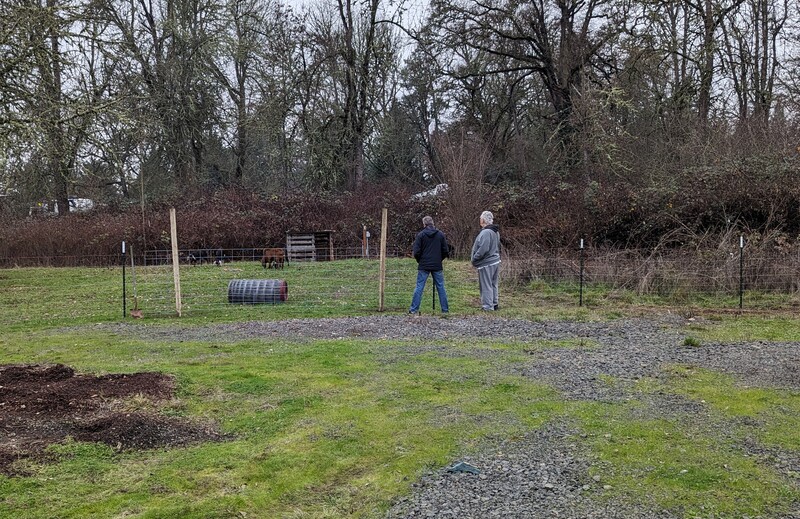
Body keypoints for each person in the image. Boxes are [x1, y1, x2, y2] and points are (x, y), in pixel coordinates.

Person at [409, 216, 450, 315]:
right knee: (441, 287)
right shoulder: (440, 235)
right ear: (432, 223)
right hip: (437, 265)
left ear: (424, 224)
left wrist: (420, 261)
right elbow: (446, 250)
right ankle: (445, 310)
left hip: (424, 265)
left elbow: (416, 252)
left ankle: (413, 309)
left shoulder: (421, 235)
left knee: (419, 287)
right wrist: (439, 260)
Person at [471, 210, 501, 311]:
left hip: (486, 263)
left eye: (480, 218)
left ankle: (488, 307)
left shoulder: (486, 232)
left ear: (483, 220)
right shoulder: (495, 231)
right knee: (493, 283)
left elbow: (483, 249)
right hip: (495, 260)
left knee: (486, 284)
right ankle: (494, 303)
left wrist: (475, 258)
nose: (479, 220)